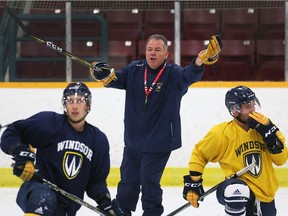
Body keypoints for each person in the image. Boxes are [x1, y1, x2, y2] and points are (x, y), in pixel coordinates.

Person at [89, 34, 222, 215]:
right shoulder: (134, 69)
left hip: (160, 142)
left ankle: (152, 212)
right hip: (134, 140)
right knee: (128, 181)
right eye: (149, 49)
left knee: (149, 180)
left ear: (166, 54)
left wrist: (200, 60)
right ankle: (122, 211)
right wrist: (102, 73)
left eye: (158, 50)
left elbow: (189, 74)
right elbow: (114, 79)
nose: (153, 53)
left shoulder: (174, 74)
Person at [0, 82, 123, 216]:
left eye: (80, 101)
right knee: (45, 198)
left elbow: (96, 181)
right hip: (37, 190)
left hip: (66, 206)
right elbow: (12, 132)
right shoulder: (49, 123)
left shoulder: (98, 140)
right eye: (70, 101)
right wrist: (22, 154)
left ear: (88, 105)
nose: (74, 106)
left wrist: (105, 203)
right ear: (65, 104)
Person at [182, 85, 288, 216]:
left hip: (265, 193)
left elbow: (281, 160)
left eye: (253, 104)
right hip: (236, 188)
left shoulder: (266, 127)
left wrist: (272, 137)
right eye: (247, 106)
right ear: (234, 110)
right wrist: (194, 182)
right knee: (236, 191)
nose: (253, 109)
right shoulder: (221, 133)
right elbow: (199, 153)